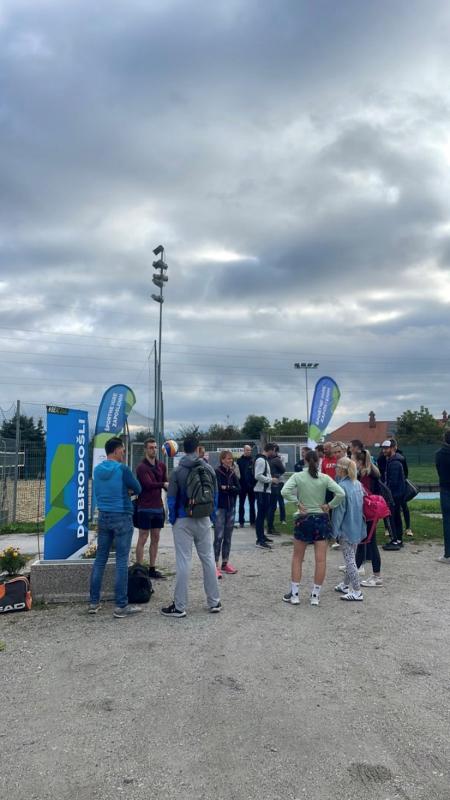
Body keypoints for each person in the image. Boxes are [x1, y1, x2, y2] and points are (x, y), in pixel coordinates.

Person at [162, 435, 221, 618]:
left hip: (183, 519)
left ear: (182, 450)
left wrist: (173, 519)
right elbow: (215, 495)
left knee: (183, 561)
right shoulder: (209, 468)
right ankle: (214, 601)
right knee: (208, 559)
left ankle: (180, 606)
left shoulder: (178, 471)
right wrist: (211, 515)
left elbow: (171, 498)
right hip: (204, 518)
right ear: (198, 448)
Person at [281, 450, 345, 606]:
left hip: (304, 519)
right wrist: (329, 505)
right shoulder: (324, 478)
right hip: (321, 520)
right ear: (319, 461)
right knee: (321, 560)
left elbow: (284, 491)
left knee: (297, 558)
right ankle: (315, 596)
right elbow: (341, 493)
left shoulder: (297, 476)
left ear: (304, 460)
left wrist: (297, 503)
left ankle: (295, 595)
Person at [89, 437, 143, 618]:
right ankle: (121, 605)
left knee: (100, 560)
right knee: (121, 561)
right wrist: (128, 492)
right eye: (122, 450)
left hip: (103, 517)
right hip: (122, 516)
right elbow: (138, 488)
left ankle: (93, 602)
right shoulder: (123, 469)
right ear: (115, 450)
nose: (124, 452)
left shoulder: (97, 470)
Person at [333, 458, 366, 601]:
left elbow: (338, 513)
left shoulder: (341, 487)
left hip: (346, 529)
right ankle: (345, 585)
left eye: (336, 467)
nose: (334, 469)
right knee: (351, 556)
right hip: (358, 527)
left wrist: (333, 532)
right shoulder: (358, 484)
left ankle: (357, 591)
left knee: (349, 560)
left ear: (342, 469)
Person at [135, 437, 168, 580]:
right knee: (143, 537)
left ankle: (152, 568)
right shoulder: (141, 467)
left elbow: (166, 482)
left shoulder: (161, 466)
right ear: (145, 449)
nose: (153, 450)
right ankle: (139, 568)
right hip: (145, 507)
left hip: (158, 507)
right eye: (150, 447)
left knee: (156, 538)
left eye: (155, 447)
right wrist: (163, 485)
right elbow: (148, 485)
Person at [354, 450, 383, 587]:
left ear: (359, 462)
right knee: (365, 543)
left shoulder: (364, 475)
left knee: (368, 543)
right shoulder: (373, 471)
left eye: (354, 461)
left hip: (368, 511)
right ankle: (353, 574)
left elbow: (364, 494)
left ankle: (376, 576)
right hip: (373, 510)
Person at [214, 450, 240, 578]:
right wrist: (230, 489)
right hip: (220, 508)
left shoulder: (232, 473)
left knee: (228, 537)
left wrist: (228, 488)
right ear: (222, 459)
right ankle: (214, 565)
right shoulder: (217, 472)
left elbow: (238, 489)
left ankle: (225, 563)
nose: (230, 461)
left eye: (231, 459)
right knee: (218, 537)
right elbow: (218, 487)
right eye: (228, 459)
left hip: (231, 507)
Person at [380, 439, 406, 550]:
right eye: (383, 448)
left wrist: (386, 492)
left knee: (393, 518)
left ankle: (395, 540)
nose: (384, 450)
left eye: (386, 448)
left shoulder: (394, 462)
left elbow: (393, 482)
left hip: (394, 495)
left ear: (393, 448)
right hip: (396, 494)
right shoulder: (393, 460)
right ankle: (398, 539)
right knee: (396, 518)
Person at [254, 442, 276, 550]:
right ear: (270, 450)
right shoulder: (261, 460)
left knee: (263, 515)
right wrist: (271, 479)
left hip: (265, 491)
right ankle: (259, 540)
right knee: (261, 516)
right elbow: (258, 475)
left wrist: (270, 479)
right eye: (274, 450)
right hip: (261, 491)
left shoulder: (264, 460)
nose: (274, 453)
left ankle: (262, 536)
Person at [435, 430, 450, 564]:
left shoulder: (439, 454)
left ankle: (448, 554)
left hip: (445, 488)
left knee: (447, 521)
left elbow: (439, 470)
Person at [267, 444, 286, 535]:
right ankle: (270, 528)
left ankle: (270, 526)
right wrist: (276, 475)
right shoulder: (276, 460)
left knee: (269, 506)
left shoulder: (265, 459)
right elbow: (283, 470)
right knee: (273, 506)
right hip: (274, 485)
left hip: (266, 485)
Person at [236, 444, 256, 527]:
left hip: (251, 486)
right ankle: (241, 522)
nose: (249, 452)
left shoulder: (253, 460)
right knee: (241, 504)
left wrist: (253, 484)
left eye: (250, 450)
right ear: (243, 450)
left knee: (252, 504)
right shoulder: (239, 461)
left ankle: (252, 522)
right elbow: (237, 474)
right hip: (242, 486)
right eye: (247, 450)